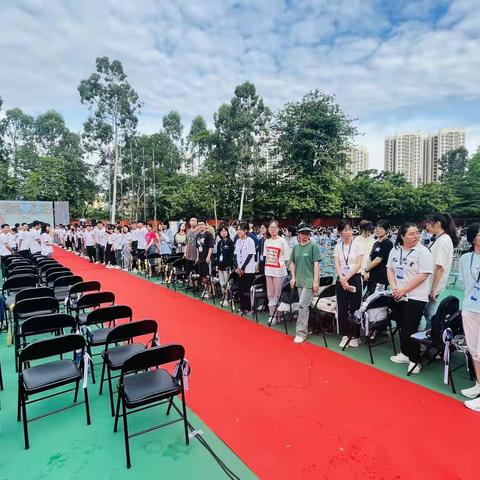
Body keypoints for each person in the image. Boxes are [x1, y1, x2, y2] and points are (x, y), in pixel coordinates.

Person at [387, 222, 433, 374]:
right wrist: (394, 287)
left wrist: (404, 290)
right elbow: (390, 269)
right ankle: (405, 353)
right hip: (398, 294)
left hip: (415, 297)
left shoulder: (423, 252)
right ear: (402, 236)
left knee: (410, 328)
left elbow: (423, 274)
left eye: (417, 233)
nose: (416, 236)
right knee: (401, 326)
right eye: (412, 234)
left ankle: (415, 360)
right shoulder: (395, 250)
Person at [459, 223, 480, 410]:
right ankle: (478, 386)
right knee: (473, 349)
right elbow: (464, 283)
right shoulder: (466, 258)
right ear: (473, 238)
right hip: (470, 307)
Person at [424, 213, 459, 328]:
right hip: (431, 284)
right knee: (430, 313)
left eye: (429, 223)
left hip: (433, 285)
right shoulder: (440, 239)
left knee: (430, 315)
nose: (427, 226)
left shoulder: (443, 240)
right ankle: (430, 337)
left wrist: (434, 289)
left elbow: (440, 267)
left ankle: (430, 337)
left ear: (438, 223)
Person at [289, 222, 321, 343]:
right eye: (303, 233)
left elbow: (316, 264)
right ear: (298, 234)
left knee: (303, 305)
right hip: (299, 280)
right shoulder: (296, 247)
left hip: (309, 281)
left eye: (307, 233)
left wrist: (315, 281)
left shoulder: (313, 246)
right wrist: (293, 277)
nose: (305, 235)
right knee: (304, 306)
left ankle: (301, 333)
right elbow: (292, 262)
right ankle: (307, 328)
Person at [334, 220, 364, 348]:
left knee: (355, 308)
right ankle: (345, 334)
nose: (348, 232)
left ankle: (355, 336)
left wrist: (347, 277)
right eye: (345, 230)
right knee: (342, 308)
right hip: (341, 279)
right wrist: (342, 278)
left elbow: (358, 264)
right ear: (340, 232)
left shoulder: (357, 245)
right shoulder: (337, 246)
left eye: (350, 229)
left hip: (354, 277)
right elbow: (337, 263)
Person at [264, 220, 290, 325]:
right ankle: (273, 315)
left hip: (279, 272)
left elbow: (287, 258)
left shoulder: (282, 241)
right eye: (271, 227)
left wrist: (283, 268)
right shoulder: (267, 241)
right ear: (268, 229)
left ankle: (280, 315)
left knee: (278, 294)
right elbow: (265, 256)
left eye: (275, 227)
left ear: (278, 229)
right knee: (270, 294)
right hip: (268, 271)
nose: (273, 229)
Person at [364, 220, 394, 296]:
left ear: (387, 230)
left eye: (380, 228)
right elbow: (370, 257)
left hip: (380, 278)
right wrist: (367, 272)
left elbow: (378, 260)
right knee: (368, 299)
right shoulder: (376, 243)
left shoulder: (388, 243)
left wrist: (366, 269)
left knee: (376, 301)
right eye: (376, 228)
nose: (377, 230)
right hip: (372, 276)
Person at [234, 222, 257, 314]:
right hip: (239, 269)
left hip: (248, 270)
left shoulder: (250, 240)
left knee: (247, 289)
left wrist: (243, 268)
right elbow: (235, 254)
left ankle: (248, 308)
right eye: (238, 229)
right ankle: (241, 307)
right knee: (240, 289)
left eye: (241, 229)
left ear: (246, 230)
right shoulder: (238, 241)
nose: (238, 231)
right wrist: (237, 267)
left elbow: (250, 255)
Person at [215, 225, 235, 306]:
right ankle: (224, 298)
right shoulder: (219, 243)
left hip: (227, 267)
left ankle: (228, 299)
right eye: (222, 231)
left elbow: (232, 256)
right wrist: (217, 265)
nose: (223, 233)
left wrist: (230, 266)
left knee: (227, 284)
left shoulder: (230, 242)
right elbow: (218, 254)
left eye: (225, 231)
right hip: (220, 266)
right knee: (222, 283)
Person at [195, 219, 215, 297]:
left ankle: (210, 292)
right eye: (199, 224)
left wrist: (208, 257)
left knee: (208, 276)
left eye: (202, 224)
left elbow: (211, 247)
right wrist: (197, 257)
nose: (200, 226)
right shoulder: (198, 235)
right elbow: (197, 248)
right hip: (200, 258)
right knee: (202, 276)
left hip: (207, 258)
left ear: (205, 225)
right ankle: (205, 290)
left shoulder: (209, 234)